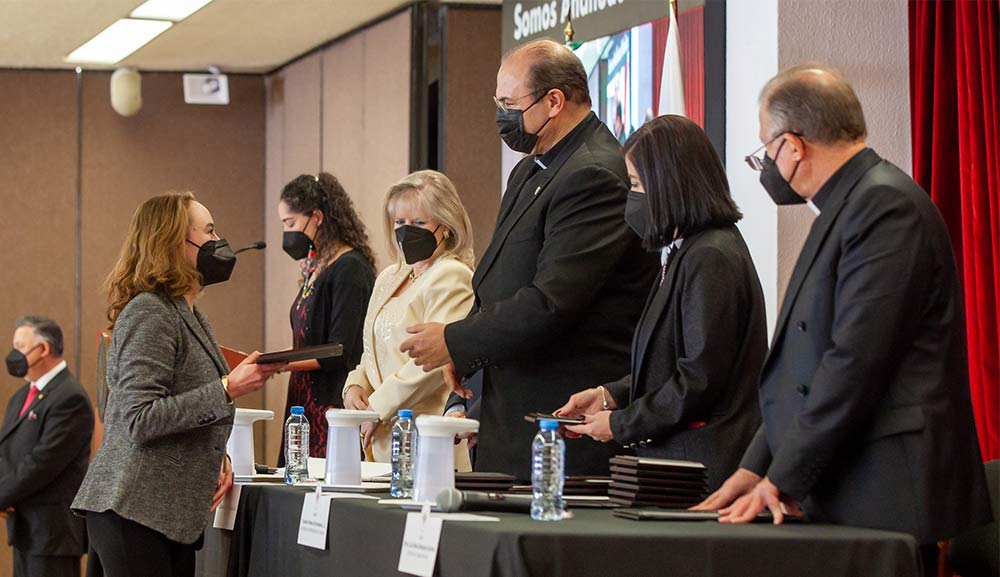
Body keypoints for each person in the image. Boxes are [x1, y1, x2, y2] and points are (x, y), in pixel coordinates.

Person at [696, 64, 991, 572]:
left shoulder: (882, 205)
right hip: (851, 481)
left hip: (886, 488)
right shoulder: (849, 202)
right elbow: (803, 369)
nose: (766, 162)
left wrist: (781, 479)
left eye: (764, 150)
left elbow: (853, 361)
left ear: (793, 145)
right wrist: (754, 467)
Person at [401, 39, 658, 480]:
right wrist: (467, 362)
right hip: (509, 421)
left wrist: (457, 338)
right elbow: (499, 282)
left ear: (554, 101)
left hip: (561, 424)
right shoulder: (530, 168)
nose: (501, 115)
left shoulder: (594, 172)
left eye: (509, 103)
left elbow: (553, 301)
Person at [72, 192, 284, 577]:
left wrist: (217, 458)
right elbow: (140, 418)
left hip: (164, 515)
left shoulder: (190, 316)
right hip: (134, 508)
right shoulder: (150, 311)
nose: (220, 241)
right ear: (174, 244)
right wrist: (226, 388)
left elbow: (183, 409)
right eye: (209, 231)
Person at [554, 115, 766, 492]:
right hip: (680, 463)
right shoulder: (687, 250)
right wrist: (610, 396)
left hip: (703, 469)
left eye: (636, 184)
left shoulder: (711, 256)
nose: (630, 196)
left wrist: (621, 425)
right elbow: (667, 364)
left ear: (669, 183)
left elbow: (699, 380)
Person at [342, 171, 474, 470]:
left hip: (424, 435)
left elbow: (433, 361)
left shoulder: (451, 275)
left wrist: (379, 406)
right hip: (378, 432)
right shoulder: (390, 276)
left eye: (418, 223)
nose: (405, 231)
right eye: (400, 222)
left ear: (446, 226)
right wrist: (355, 386)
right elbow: (372, 350)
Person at [277, 173, 376, 462]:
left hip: (329, 404)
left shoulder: (350, 269)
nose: (286, 233)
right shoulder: (315, 267)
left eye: (290, 223)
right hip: (302, 401)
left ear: (317, 217)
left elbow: (340, 351)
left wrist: (282, 362)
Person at [0, 317, 93, 577]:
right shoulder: (22, 396)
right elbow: (8, 452)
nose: (13, 354)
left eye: (20, 347)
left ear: (43, 349)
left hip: (52, 533)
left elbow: (43, 462)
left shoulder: (69, 396)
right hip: (24, 528)